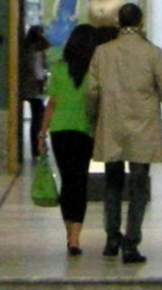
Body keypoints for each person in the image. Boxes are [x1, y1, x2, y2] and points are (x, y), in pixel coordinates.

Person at [84, 1, 162, 262]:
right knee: (139, 185)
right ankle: (131, 242)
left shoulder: (103, 52)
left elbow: (91, 92)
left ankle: (111, 238)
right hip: (143, 126)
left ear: (119, 22)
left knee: (112, 183)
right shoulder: (153, 53)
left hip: (112, 123)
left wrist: (92, 120)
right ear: (140, 23)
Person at [39, 23, 101, 255]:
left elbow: (52, 104)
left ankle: (68, 232)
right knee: (80, 182)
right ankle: (75, 237)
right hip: (84, 131)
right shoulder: (94, 72)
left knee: (67, 181)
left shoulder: (58, 68)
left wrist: (41, 133)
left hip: (60, 131)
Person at [19, 24, 51, 163]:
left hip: (29, 85)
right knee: (38, 118)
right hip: (33, 86)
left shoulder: (27, 48)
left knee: (37, 117)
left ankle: (36, 149)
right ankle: (37, 149)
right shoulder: (34, 50)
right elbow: (37, 70)